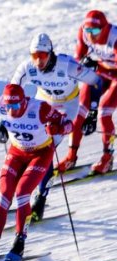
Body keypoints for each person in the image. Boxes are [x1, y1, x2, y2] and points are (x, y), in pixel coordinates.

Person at [0, 83, 72, 261]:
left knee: (22, 193)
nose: (12, 110)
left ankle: (19, 244)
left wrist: (57, 129)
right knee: (3, 195)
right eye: (9, 106)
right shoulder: (0, 105)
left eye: (16, 105)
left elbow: (68, 124)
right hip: (17, 152)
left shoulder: (40, 108)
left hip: (40, 154)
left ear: (24, 102)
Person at [10, 32, 102, 219]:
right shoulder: (27, 68)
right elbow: (11, 92)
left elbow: (96, 81)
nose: (38, 61)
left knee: (47, 145)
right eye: (34, 56)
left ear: (50, 53)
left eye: (42, 55)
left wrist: (93, 113)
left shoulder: (67, 66)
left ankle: (41, 199)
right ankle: (13, 189)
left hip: (67, 105)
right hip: (43, 102)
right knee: (24, 142)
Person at [61, 9, 117, 175]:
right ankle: (71, 156)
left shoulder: (114, 38)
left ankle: (107, 158)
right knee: (79, 111)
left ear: (104, 28)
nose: (91, 35)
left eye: (96, 30)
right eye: (88, 30)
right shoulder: (83, 33)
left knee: (104, 112)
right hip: (102, 72)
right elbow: (78, 59)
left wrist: (96, 67)